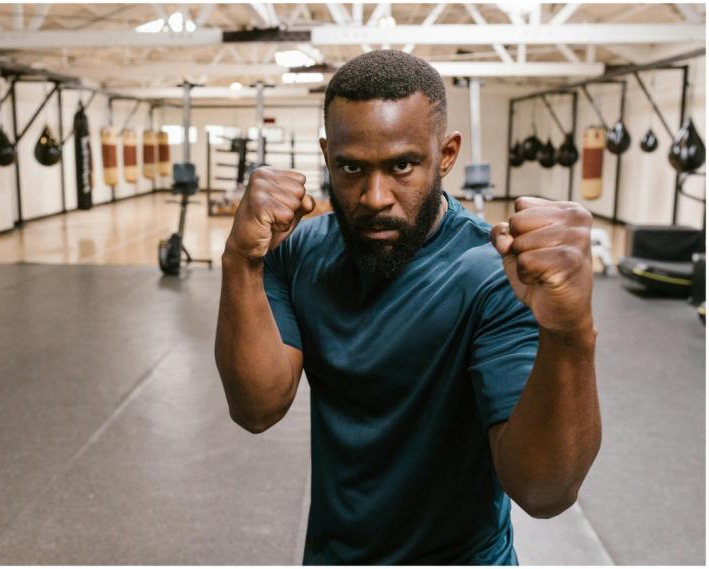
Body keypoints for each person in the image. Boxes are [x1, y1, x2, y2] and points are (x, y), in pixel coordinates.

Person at [215, 50, 601, 565]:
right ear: (328, 156)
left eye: (402, 165)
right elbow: (256, 409)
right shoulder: (299, 251)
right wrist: (240, 259)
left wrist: (571, 334)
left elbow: (544, 492)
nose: (375, 197)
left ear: (445, 154)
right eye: (352, 167)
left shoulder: (491, 274)